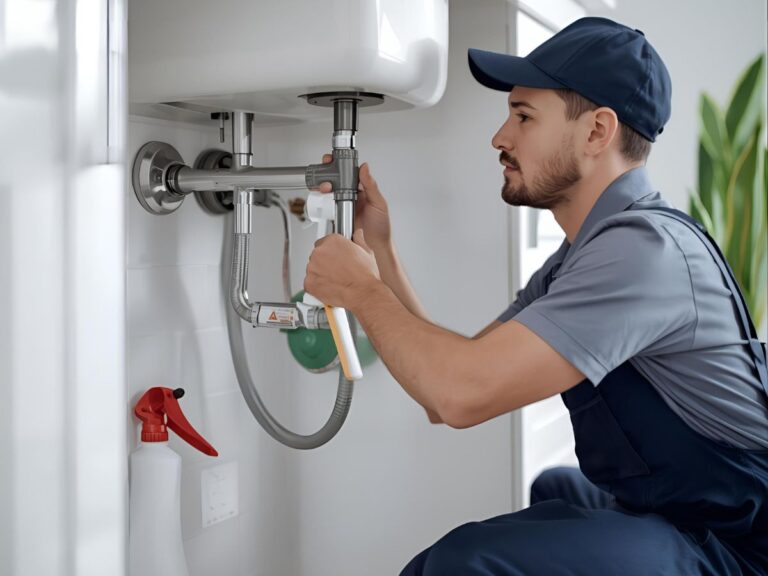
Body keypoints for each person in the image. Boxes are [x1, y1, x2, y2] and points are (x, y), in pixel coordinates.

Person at [304, 16, 768, 575]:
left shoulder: (643, 251)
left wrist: (361, 288)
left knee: (463, 563)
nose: (500, 137)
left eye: (523, 116)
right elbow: (443, 389)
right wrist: (381, 252)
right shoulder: (587, 254)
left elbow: (459, 393)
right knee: (552, 488)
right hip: (688, 516)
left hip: (737, 551)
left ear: (597, 132)